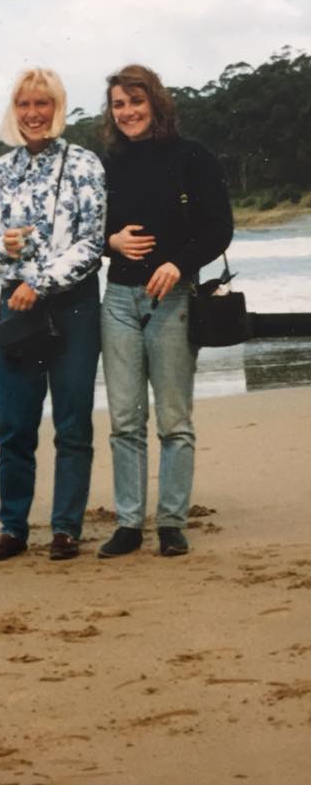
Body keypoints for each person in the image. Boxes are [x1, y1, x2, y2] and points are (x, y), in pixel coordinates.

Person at [0, 67, 106, 562]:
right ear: (13, 111)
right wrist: (1, 249)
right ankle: (13, 528)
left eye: (42, 104)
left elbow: (92, 243)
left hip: (74, 304)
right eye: (24, 105)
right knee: (16, 425)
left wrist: (39, 283)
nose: (33, 114)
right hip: (15, 307)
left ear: (58, 108)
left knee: (72, 423)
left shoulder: (85, 163)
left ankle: (66, 528)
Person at [98, 64, 233, 558]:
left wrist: (178, 263)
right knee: (124, 421)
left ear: (155, 102)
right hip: (117, 301)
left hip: (173, 299)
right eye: (119, 104)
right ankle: (130, 524)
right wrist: (110, 243)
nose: (128, 112)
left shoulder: (191, 157)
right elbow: (86, 233)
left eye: (136, 101)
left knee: (174, 421)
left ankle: (172, 523)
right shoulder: (106, 163)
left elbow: (221, 228)